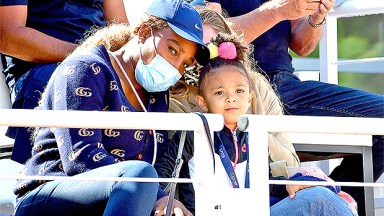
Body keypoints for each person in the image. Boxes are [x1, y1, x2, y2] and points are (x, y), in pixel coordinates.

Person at [12, 0, 210, 215]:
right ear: (143, 32)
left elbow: (152, 169)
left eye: (185, 63)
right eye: (172, 50)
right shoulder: (86, 68)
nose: (175, 67)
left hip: (116, 201)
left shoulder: (157, 96)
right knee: (141, 176)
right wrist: (158, 195)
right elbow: (80, 158)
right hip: (48, 195)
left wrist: (166, 202)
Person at [193, 1, 384, 215]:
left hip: (287, 85)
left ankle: (334, 199)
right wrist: (275, 11)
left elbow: (303, 46)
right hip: (242, 86)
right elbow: (210, 39)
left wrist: (316, 16)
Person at [155, 33, 354, 216]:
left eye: (239, 91)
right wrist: (164, 200)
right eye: (219, 92)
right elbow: (166, 171)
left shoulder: (255, 132)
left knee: (320, 197)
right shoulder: (193, 131)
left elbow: (264, 184)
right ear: (202, 102)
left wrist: (287, 185)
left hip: (254, 211)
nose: (231, 99)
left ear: (250, 98)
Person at [0, 0, 129, 164]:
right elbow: (8, 36)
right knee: (79, 77)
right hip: (42, 72)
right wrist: (84, 57)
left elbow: (122, 32)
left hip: (98, 67)